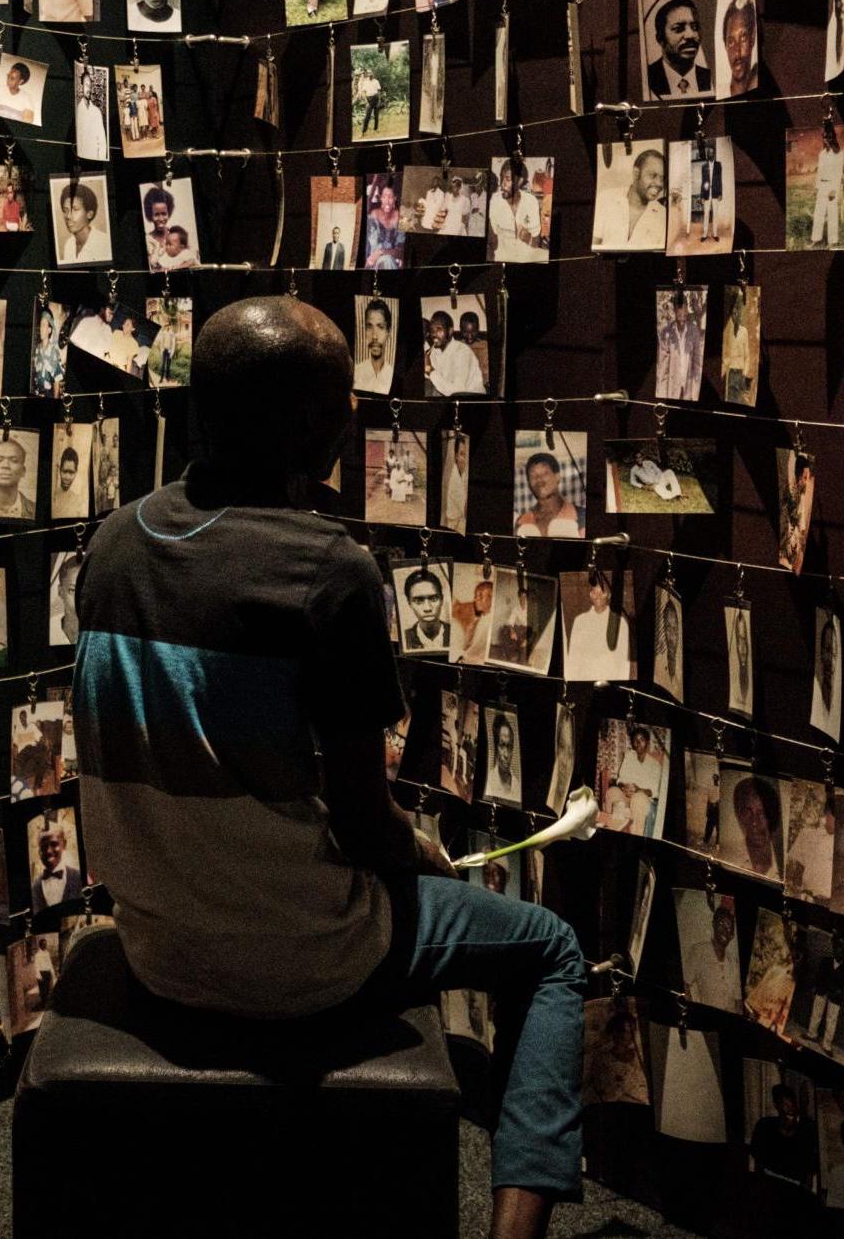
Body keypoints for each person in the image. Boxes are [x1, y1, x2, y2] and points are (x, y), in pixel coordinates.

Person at [70, 297, 589, 1238]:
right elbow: (362, 822)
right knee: (551, 949)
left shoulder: (111, 544)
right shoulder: (329, 570)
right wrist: (425, 854)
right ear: (315, 424)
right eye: (343, 400)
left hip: (158, 949)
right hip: (302, 962)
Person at [564, 571, 629, 681]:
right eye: (594, 592)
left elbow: (623, 662)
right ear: (590, 595)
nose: (598, 596)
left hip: (609, 679)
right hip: (584, 678)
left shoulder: (620, 623)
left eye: (602, 592)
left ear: (608, 595)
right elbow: (573, 657)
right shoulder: (580, 621)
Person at [596, 148, 666, 250]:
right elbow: (593, 247)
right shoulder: (606, 199)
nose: (659, 184)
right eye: (653, 175)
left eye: (662, 178)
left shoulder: (663, 216)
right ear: (636, 173)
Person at [749, 1085, 816, 1187]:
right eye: (785, 1104)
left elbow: (809, 1172)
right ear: (776, 1105)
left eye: (792, 1104)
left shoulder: (807, 1130)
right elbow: (758, 1165)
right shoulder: (765, 1126)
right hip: (769, 1185)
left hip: (795, 1188)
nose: (790, 1109)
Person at [489, 157, 548, 262]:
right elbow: (494, 244)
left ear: (519, 181)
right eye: (501, 177)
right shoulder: (495, 201)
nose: (502, 184)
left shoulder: (531, 202)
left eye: (507, 179)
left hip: (527, 258)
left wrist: (528, 238)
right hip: (503, 258)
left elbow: (536, 241)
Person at [514, 451, 581, 538]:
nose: (539, 480)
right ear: (529, 483)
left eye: (545, 473)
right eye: (533, 476)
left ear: (557, 477)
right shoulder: (521, 522)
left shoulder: (580, 516)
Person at [422, 308, 484, 396]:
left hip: (472, 400)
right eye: (432, 330)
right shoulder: (433, 352)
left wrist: (429, 369)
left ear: (450, 331)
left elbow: (457, 391)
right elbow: (432, 379)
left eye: (439, 330)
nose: (434, 334)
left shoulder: (462, 351)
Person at [657, 291, 703, 400]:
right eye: (679, 313)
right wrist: (662, 397)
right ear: (674, 311)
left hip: (689, 391)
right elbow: (663, 370)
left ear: (687, 309)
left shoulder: (694, 331)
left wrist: (696, 394)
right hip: (672, 392)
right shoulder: (666, 334)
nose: (682, 316)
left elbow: (697, 364)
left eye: (685, 312)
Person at [809, 120, 844, 246]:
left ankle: (832, 241)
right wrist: (817, 187)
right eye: (825, 137)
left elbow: (838, 173)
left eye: (829, 137)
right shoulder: (822, 154)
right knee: (818, 212)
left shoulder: (838, 154)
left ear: (833, 138)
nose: (827, 139)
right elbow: (819, 172)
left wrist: (834, 189)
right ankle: (815, 239)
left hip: (831, 186)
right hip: (822, 186)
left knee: (832, 213)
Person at [401, 567, 450, 652]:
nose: (428, 608)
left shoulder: (456, 635)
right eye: (419, 601)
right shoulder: (404, 638)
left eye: (433, 598)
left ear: (442, 599)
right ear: (409, 603)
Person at [354, 298, 396, 395]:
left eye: (380, 327)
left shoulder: (393, 376)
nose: (374, 336)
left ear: (388, 332)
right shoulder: (356, 373)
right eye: (369, 327)